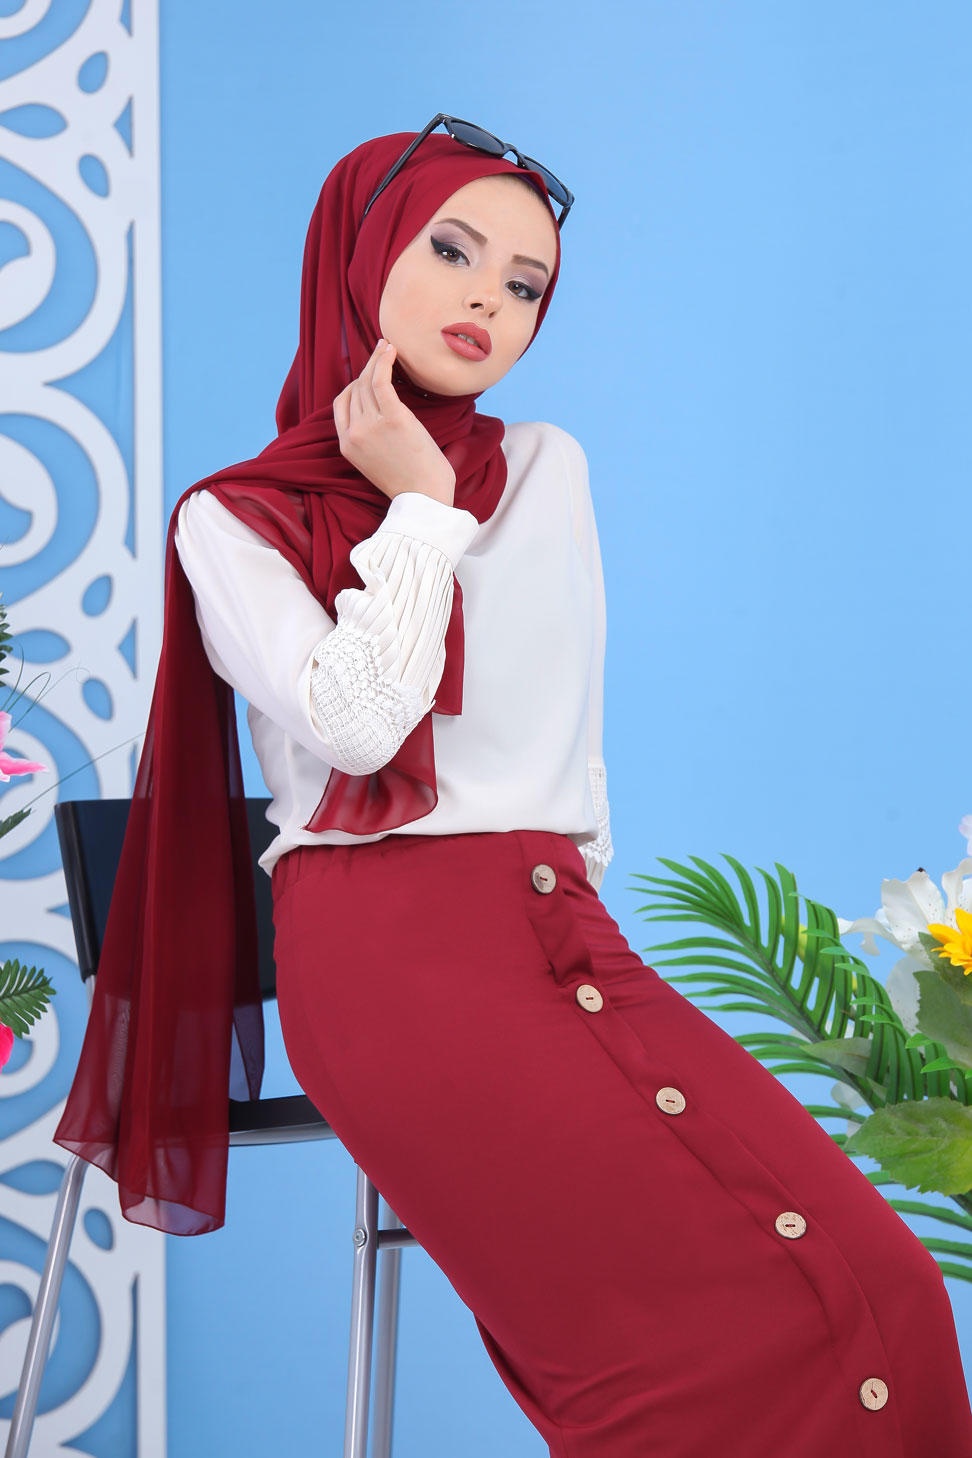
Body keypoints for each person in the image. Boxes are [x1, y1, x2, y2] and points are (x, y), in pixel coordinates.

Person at [56, 117, 972, 1457]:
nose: (487, 297)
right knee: (677, 1360)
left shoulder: (546, 468)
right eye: (452, 249)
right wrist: (419, 509)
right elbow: (359, 729)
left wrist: (566, 906)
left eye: (526, 282)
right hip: (390, 969)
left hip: (555, 926)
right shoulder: (232, 520)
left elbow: (571, 746)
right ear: (362, 252)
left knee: (877, 1293)